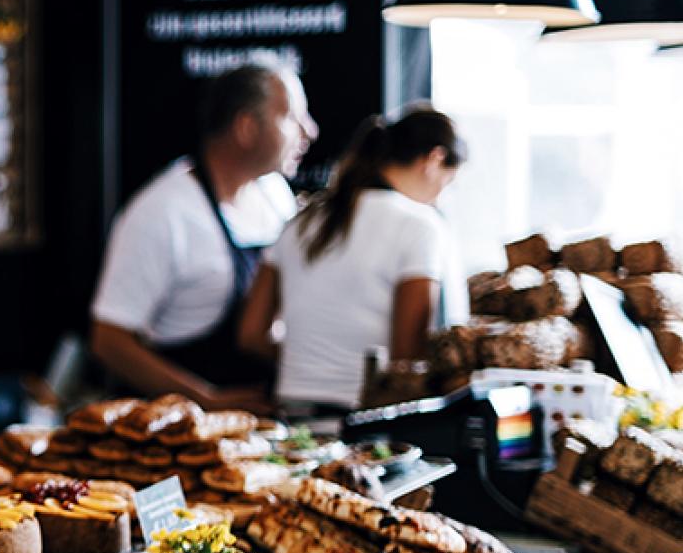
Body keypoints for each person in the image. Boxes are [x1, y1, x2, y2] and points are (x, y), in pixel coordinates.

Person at [90, 57, 318, 411]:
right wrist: (205, 401)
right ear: (246, 127)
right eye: (292, 117)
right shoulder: (163, 212)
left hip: (261, 423)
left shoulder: (274, 193)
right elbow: (109, 341)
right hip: (175, 432)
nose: (310, 131)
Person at [238, 104, 468, 412]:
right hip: (367, 420)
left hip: (293, 413)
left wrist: (311, 361)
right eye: (448, 182)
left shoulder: (302, 220)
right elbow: (407, 358)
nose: (441, 195)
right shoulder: (420, 225)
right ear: (434, 160)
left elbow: (251, 335)